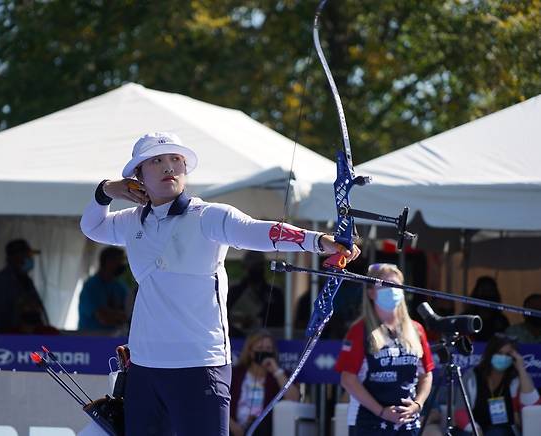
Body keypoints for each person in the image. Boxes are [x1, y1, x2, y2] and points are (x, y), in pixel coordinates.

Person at [79, 131, 360, 436]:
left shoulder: (208, 216)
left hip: (200, 366)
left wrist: (320, 242)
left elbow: (258, 231)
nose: (168, 167)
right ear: (138, 175)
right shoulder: (131, 220)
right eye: (157, 161)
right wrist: (106, 190)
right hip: (145, 368)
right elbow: (92, 226)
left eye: (176, 159)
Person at [335, 263, 434, 435]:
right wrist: (381, 411)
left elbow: (426, 374)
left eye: (396, 286)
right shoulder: (359, 330)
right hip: (368, 423)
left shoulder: (416, 329)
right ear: (371, 292)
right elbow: (348, 379)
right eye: (385, 285)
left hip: (408, 424)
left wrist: (418, 404)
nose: (392, 290)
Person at [453, 333, 540, 435]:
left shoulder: (518, 378)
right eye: (499, 353)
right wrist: (473, 429)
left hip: (504, 429)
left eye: (508, 354)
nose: (503, 357)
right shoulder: (472, 375)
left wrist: (521, 369)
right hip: (475, 427)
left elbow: (533, 406)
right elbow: (460, 411)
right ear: (490, 354)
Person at [229, 329, 299, 436]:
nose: (264, 352)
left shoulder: (279, 376)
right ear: (250, 351)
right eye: (260, 348)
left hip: (264, 429)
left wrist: (276, 371)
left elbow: (294, 398)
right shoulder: (235, 374)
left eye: (268, 349)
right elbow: (219, 402)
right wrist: (232, 426)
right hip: (235, 428)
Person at [0, 238, 48, 333]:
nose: (30, 258)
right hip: (5, 341)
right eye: (27, 255)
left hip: (25, 338)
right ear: (15, 257)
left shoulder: (25, 279)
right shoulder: (1, 282)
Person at [228, 251, 285, 336]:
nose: (256, 269)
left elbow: (282, 320)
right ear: (245, 267)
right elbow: (226, 317)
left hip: (269, 338)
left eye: (259, 265)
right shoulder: (234, 291)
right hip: (237, 338)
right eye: (252, 266)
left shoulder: (275, 292)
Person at [78, 246, 129, 333]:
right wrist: (120, 316)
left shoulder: (120, 286)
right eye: (119, 261)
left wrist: (115, 315)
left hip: (114, 338)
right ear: (108, 262)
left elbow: (129, 313)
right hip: (90, 339)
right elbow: (103, 318)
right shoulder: (91, 286)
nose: (122, 265)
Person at [462, 276, 510, 342]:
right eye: (483, 290)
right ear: (476, 293)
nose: (487, 294)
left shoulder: (501, 320)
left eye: (490, 291)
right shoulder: (466, 318)